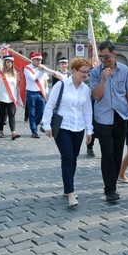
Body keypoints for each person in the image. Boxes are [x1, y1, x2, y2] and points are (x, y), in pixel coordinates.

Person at [89, 41, 128, 203]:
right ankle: (109, 189)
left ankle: (113, 183)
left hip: (121, 116)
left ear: (114, 54)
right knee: (107, 153)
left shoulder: (124, 70)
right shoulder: (96, 72)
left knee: (117, 153)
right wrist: (103, 79)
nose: (104, 59)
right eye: (101, 56)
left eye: (107, 56)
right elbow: (96, 96)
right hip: (103, 118)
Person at [43, 58, 93, 207]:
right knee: (68, 158)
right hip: (63, 126)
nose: (85, 75)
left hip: (79, 127)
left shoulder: (86, 89)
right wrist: (46, 125)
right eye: (83, 72)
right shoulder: (61, 85)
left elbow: (87, 111)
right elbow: (50, 105)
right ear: (74, 71)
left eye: (87, 72)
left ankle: (67, 187)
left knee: (74, 158)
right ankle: (71, 193)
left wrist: (89, 130)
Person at [0, 55, 21, 139]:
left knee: (12, 114)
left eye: (11, 62)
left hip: (11, 98)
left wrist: (18, 98)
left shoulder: (15, 73)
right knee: (2, 114)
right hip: (1, 96)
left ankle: (13, 132)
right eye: (8, 62)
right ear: (4, 63)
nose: (10, 63)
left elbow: (17, 87)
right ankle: (1, 130)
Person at [24, 52, 52, 138]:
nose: (39, 61)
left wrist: (46, 88)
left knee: (41, 112)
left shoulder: (42, 68)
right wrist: (40, 70)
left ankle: (34, 125)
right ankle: (34, 131)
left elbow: (46, 79)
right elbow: (33, 78)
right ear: (33, 60)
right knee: (32, 112)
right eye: (37, 60)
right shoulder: (27, 68)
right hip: (31, 92)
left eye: (40, 60)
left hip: (40, 92)